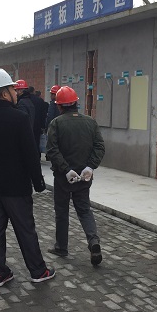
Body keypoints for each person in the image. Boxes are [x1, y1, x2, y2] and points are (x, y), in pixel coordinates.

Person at [0, 68, 55, 287]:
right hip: (16, 187)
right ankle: (38, 270)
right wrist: (38, 182)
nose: (16, 92)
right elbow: (30, 154)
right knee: (25, 229)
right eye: (12, 89)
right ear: (3, 92)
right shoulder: (20, 118)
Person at [46, 86, 105, 265]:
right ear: (76, 103)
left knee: (62, 212)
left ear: (59, 106)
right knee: (84, 210)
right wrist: (90, 167)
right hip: (84, 176)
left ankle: (61, 247)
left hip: (63, 177)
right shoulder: (90, 122)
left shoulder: (56, 123)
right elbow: (99, 147)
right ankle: (93, 241)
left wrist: (65, 169)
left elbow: (52, 150)